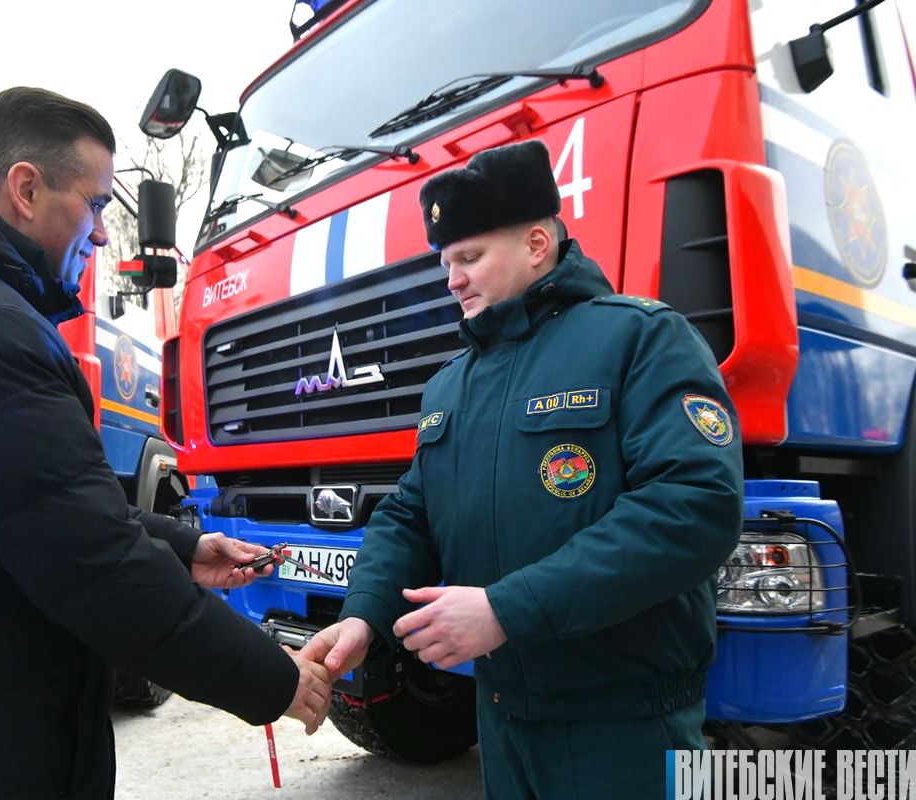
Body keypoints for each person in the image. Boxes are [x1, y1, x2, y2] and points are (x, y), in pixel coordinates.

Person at [0, 87, 329, 800]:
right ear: (25, 188)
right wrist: (273, 678)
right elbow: (92, 565)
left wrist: (182, 549)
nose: (105, 233)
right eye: (98, 202)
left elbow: (22, 511)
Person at [301, 140, 743, 798]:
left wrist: (507, 610)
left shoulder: (641, 339)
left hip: (622, 725)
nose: (452, 278)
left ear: (537, 244)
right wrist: (365, 616)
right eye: (446, 261)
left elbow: (693, 507)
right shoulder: (452, 386)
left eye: (469, 257)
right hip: (503, 717)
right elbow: (411, 515)